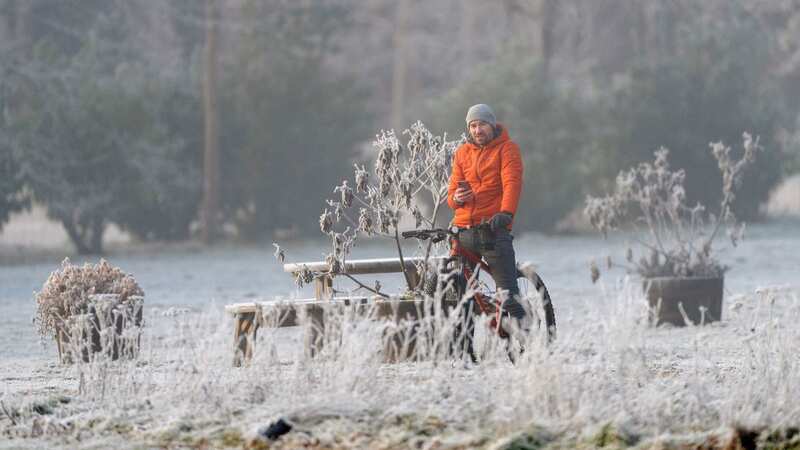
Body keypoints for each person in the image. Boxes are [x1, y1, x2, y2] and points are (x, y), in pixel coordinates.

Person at [447, 103, 529, 336]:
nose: (477, 130)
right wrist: (456, 197)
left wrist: (506, 213)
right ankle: (464, 354)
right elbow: (451, 195)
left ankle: (533, 347)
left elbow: (512, 183)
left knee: (509, 297)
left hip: (493, 229)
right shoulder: (462, 153)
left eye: (481, 124)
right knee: (459, 299)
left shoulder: (507, 149)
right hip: (464, 231)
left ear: (492, 126)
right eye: (472, 126)